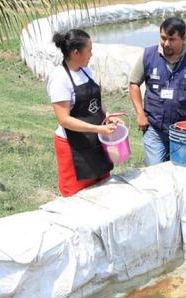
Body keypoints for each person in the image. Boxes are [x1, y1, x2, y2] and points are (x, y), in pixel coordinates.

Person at [128, 17, 186, 166]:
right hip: (155, 128)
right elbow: (133, 83)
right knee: (156, 170)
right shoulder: (148, 55)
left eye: (172, 39)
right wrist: (140, 114)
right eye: (163, 38)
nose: (166, 43)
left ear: (184, 39)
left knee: (182, 169)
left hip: (184, 130)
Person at [47, 29, 121, 197]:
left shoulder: (86, 71)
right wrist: (98, 129)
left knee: (102, 190)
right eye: (89, 49)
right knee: (77, 197)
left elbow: (97, 101)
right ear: (75, 52)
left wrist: (108, 116)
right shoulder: (60, 78)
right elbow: (64, 120)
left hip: (95, 142)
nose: (91, 54)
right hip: (73, 147)